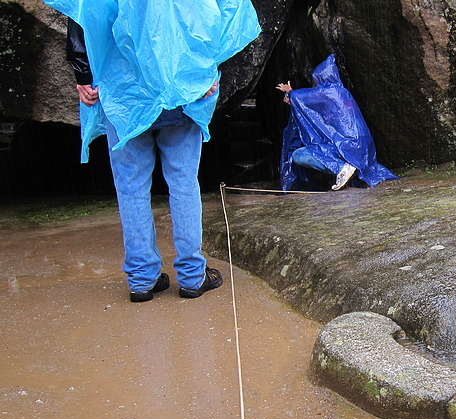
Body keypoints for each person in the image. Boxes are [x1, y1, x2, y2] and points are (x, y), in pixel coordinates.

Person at [46, 0, 261, 302]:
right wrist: (208, 68)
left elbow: (85, 11)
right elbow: (227, 12)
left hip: (124, 92)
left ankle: (142, 280)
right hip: (181, 88)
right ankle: (191, 277)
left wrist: (83, 74)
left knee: (130, 186)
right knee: (184, 183)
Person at [276, 54, 397, 191]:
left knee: (298, 155)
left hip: (348, 144)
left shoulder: (329, 91)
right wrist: (293, 100)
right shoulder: (342, 93)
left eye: (316, 81)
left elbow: (304, 100)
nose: (315, 85)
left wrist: (290, 93)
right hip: (362, 146)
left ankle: (341, 168)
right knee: (316, 145)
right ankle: (351, 171)